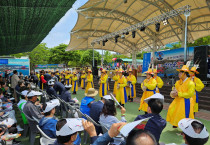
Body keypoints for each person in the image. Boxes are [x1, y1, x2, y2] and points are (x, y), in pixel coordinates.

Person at [167, 63, 195, 128]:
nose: (178, 74)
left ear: (184, 74)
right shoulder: (178, 82)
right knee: (173, 110)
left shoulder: (190, 83)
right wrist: (173, 92)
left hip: (186, 101)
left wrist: (178, 93)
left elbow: (190, 94)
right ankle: (176, 123)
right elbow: (174, 88)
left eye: (180, 73)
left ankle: (185, 127)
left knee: (183, 114)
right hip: (178, 100)